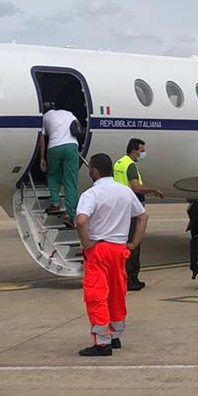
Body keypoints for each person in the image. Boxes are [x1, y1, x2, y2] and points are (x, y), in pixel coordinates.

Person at [75, 151, 147, 357]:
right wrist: (133, 243)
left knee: (96, 294)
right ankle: (115, 335)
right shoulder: (125, 191)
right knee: (117, 292)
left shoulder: (91, 194)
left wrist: (87, 243)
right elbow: (143, 216)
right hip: (119, 249)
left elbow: (81, 221)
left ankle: (102, 342)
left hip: (99, 249)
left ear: (94, 171)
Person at [113, 137, 166, 292]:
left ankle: (124, 277)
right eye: (142, 151)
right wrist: (153, 190)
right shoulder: (130, 166)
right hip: (132, 210)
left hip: (121, 208)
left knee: (124, 243)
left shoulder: (119, 163)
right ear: (134, 151)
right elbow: (136, 188)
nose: (143, 154)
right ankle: (132, 279)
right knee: (133, 245)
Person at [40, 99, 82, 225]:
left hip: (55, 147)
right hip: (72, 146)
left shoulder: (44, 118)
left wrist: (42, 158)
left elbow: (42, 139)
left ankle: (56, 203)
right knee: (71, 182)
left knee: (53, 175)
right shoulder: (68, 113)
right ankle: (70, 215)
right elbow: (78, 126)